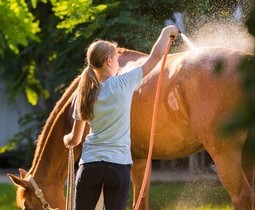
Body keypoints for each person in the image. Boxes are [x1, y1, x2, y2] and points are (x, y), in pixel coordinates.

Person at [63, 25, 179, 210]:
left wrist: (66, 139)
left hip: (89, 167)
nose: (119, 62)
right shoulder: (124, 83)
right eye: (117, 58)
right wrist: (166, 33)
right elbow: (155, 57)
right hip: (117, 166)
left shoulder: (83, 94)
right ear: (109, 61)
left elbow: (75, 139)